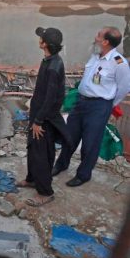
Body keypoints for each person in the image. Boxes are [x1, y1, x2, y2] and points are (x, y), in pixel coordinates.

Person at [54, 27, 130, 187]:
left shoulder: (119, 63)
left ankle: (83, 174)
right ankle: (61, 165)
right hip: (81, 102)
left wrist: (108, 104)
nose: (95, 38)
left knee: (90, 142)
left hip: (99, 106)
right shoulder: (95, 55)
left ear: (106, 42)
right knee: (70, 135)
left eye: (99, 35)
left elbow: (124, 88)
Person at [17, 28, 67, 207]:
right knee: (32, 148)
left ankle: (45, 192)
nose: (39, 39)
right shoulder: (49, 60)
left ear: (45, 44)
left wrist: (38, 121)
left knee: (42, 155)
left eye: (41, 38)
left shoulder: (54, 67)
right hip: (38, 115)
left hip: (44, 119)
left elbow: (51, 98)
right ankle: (32, 179)